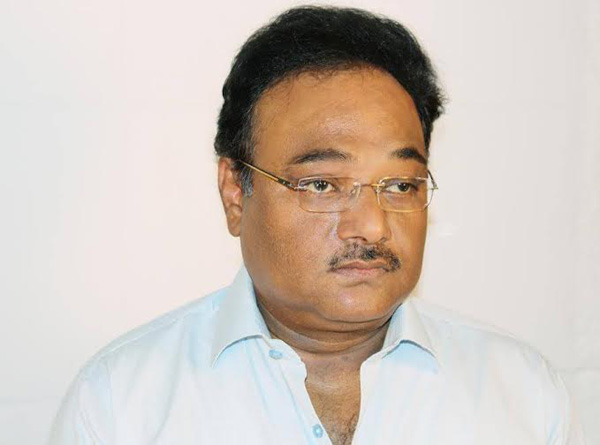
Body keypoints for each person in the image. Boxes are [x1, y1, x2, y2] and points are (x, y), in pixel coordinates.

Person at [50, 6, 585, 444]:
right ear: (235, 192)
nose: (371, 227)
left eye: (401, 185)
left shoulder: (522, 397)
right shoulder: (122, 406)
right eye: (322, 185)